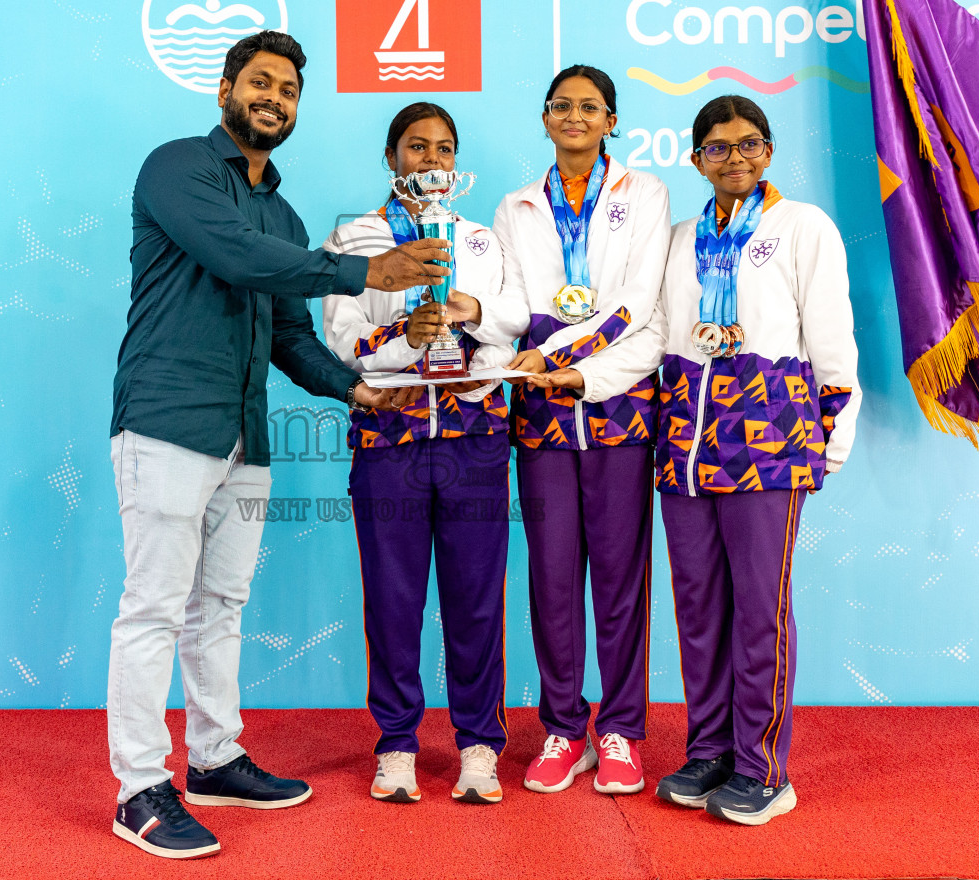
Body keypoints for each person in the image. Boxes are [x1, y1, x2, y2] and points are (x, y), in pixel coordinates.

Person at [107, 30, 445, 860]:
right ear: (225, 89)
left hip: (245, 438)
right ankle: (139, 789)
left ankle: (215, 758)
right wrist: (362, 273)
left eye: (289, 91)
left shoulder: (284, 214)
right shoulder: (178, 168)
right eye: (260, 83)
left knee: (220, 607)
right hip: (169, 421)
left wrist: (357, 389)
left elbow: (291, 336)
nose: (275, 99)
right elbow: (234, 254)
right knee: (153, 607)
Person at [531, 94, 861, 825]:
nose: (734, 157)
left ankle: (764, 767)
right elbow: (651, 329)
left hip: (770, 448)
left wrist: (829, 437)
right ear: (696, 159)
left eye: (748, 144)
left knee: (760, 615)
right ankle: (710, 750)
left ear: (768, 151)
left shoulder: (803, 228)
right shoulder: (680, 237)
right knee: (700, 613)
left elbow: (833, 342)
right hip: (684, 450)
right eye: (717, 147)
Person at [322, 102, 527, 805]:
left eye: (443, 148)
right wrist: (411, 337)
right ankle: (397, 745)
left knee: (476, 598)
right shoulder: (356, 237)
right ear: (391, 157)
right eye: (416, 147)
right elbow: (343, 345)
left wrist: (469, 331)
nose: (430, 160)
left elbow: (514, 319)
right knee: (393, 598)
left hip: (473, 435)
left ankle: (477, 746)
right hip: (391, 440)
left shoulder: (478, 238)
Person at [490, 65, 672, 796]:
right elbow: (513, 305)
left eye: (589, 107)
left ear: (610, 121)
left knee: (623, 581)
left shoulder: (646, 194)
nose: (574, 116)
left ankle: (622, 729)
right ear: (544, 118)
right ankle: (565, 728)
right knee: (553, 579)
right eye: (561, 105)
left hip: (619, 406)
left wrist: (569, 359)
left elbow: (641, 305)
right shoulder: (515, 207)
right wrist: (475, 319)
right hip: (539, 414)